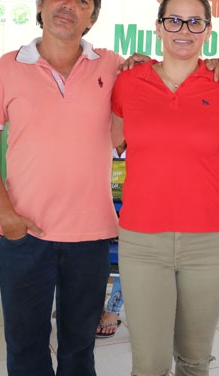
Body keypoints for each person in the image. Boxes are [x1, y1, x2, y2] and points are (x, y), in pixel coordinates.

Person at [0, 0, 219, 376]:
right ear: (41, 3)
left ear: (93, 17)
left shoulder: (114, 67)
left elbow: (162, 82)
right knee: (25, 348)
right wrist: (6, 217)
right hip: (26, 234)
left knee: (80, 349)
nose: (69, 6)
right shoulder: (8, 67)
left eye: (83, 0)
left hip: (91, 236)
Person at [111, 0, 219, 376]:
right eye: (174, 20)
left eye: (195, 22)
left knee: (193, 360)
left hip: (210, 243)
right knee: (150, 363)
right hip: (142, 241)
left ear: (208, 30)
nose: (184, 29)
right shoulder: (128, 81)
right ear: (158, 27)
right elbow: (109, 141)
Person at [97, 141, 127, 339]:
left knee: (128, 251)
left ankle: (113, 307)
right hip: (96, 208)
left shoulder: (143, 139)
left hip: (132, 211)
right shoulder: (96, 138)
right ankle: (95, 303)